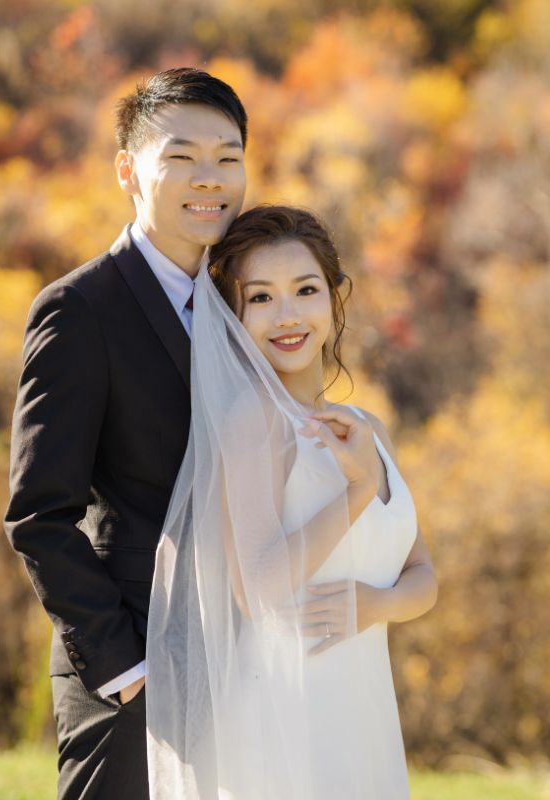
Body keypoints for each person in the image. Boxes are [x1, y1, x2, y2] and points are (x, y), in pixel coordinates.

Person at [4, 67, 248, 800]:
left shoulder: (249, 298)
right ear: (128, 170)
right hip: (129, 666)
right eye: (180, 157)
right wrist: (124, 667)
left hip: (241, 658)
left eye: (228, 157)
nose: (209, 178)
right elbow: (38, 515)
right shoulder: (79, 308)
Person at [144, 206, 437, 799]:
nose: (287, 316)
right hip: (285, 711)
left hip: (361, 705)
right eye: (261, 298)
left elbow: (424, 576)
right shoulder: (254, 422)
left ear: (333, 298)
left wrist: (373, 605)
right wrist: (356, 491)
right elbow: (257, 591)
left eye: (305, 290)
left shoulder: (367, 426)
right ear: (235, 313)